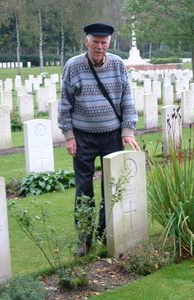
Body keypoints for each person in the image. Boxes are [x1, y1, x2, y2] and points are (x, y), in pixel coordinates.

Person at [58, 22, 140, 256]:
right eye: (95, 42)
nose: (100, 47)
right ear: (87, 41)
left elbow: (127, 99)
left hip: (112, 135)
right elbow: (65, 103)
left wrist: (128, 131)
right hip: (83, 136)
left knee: (111, 187)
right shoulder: (73, 67)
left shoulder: (117, 64)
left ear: (109, 43)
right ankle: (84, 239)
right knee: (84, 189)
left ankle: (106, 233)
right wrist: (69, 136)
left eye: (104, 43)